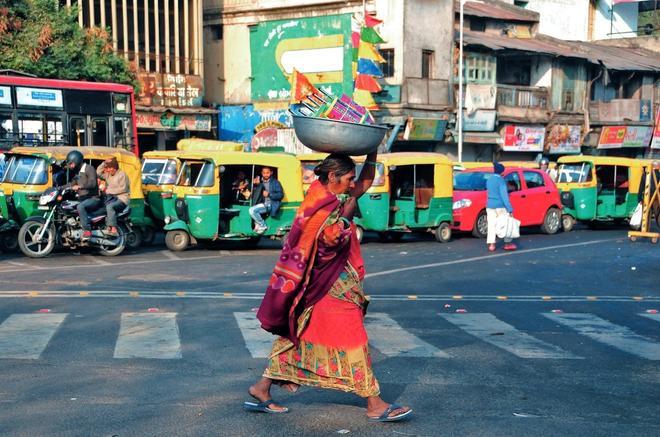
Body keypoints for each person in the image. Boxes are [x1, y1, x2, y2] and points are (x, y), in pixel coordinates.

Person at [245, 153, 412, 422]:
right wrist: (346, 216)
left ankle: (261, 387)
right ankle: (374, 403)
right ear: (333, 177)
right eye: (348, 179)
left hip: (331, 280)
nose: (351, 184)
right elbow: (329, 241)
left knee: (302, 330)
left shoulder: (330, 192)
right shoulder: (322, 203)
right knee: (354, 337)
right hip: (327, 281)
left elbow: (364, 185)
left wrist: (372, 151)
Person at [65, 150, 100, 240]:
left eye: (71, 163)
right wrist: (58, 188)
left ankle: (87, 230)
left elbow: (93, 183)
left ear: (76, 160)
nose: (70, 166)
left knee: (80, 207)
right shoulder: (78, 173)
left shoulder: (89, 168)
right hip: (83, 199)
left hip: (93, 198)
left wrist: (80, 186)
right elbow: (71, 184)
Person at [486, 162, 516, 252]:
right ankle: (507, 244)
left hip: (490, 205)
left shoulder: (489, 180)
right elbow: (504, 196)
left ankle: (492, 245)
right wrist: (509, 209)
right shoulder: (501, 180)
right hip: (500, 206)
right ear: (501, 172)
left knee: (491, 225)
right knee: (505, 224)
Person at [97, 158, 130, 237]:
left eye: (109, 168)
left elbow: (123, 188)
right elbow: (98, 172)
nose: (107, 170)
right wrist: (104, 163)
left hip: (122, 199)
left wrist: (108, 190)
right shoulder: (108, 175)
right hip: (111, 198)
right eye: (107, 168)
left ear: (114, 167)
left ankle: (114, 228)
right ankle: (106, 226)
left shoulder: (122, 174)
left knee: (110, 207)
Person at [249, 166, 284, 234]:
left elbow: (280, 195)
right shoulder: (260, 181)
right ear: (261, 173)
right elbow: (252, 190)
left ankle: (262, 225)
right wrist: (254, 184)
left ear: (271, 173)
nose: (266, 174)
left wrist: (269, 194)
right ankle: (257, 224)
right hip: (261, 203)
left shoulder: (275, 182)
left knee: (252, 210)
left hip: (270, 204)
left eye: (267, 173)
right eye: (264, 173)